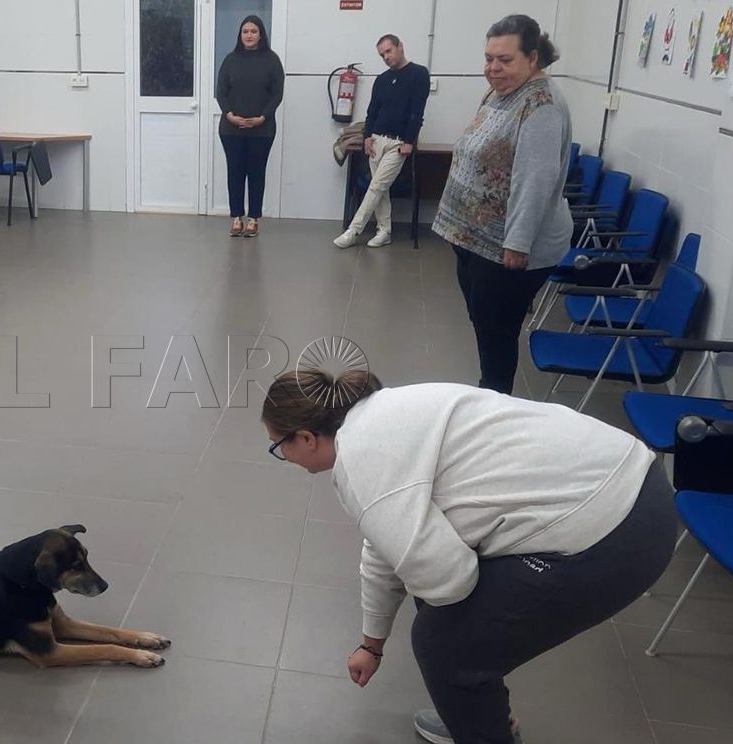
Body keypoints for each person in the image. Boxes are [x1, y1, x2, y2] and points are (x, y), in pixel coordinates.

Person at [262, 369, 674, 744]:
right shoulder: (377, 415)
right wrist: (372, 644)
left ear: (306, 438)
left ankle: (482, 727)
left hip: (617, 533)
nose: (286, 458)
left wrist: (444, 629)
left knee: (443, 644)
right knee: (442, 612)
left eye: (279, 447)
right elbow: (384, 544)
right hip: (633, 482)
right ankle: (478, 715)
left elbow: (448, 580)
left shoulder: (360, 462)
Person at [431, 15, 572, 395]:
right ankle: (490, 395)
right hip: (475, 238)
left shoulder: (540, 104)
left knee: (496, 333)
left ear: (533, 57)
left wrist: (518, 242)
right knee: (484, 321)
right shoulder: (500, 92)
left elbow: (536, 179)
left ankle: (494, 405)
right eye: (489, 58)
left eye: (505, 60)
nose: (493, 68)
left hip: (507, 248)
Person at [333, 34, 430, 249]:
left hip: (398, 144)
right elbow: (373, 110)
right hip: (377, 139)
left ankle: (353, 230)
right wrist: (367, 136)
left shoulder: (419, 74)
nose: (386, 57)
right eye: (382, 54)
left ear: (400, 47)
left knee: (376, 186)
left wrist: (409, 141)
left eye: (388, 51)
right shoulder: (382, 79)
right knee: (381, 189)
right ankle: (384, 230)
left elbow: (417, 111)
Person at [215, 15, 283, 239]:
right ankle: (236, 217)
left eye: (254, 31)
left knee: (256, 172)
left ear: (261, 34)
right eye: (245, 31)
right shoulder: (230, 60)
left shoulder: (272, 60)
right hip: (231, 129)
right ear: (240, 35)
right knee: (235, 172)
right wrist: (230, 115)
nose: (249, 35)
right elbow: (221, 92)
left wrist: (263, 117)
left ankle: (253, 218)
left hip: (262, 130)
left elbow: (277, 94)